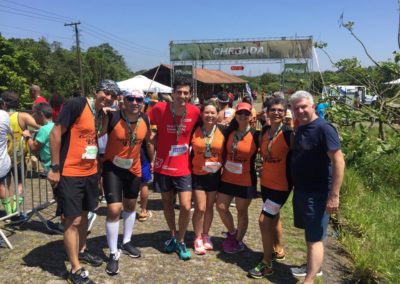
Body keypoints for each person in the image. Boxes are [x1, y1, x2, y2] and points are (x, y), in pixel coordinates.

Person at [47, 79, 119, 283]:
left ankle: (82, 249)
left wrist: (105, 119)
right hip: (70, 172)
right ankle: (75, 268)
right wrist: (55, 168)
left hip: (90, 172)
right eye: (106, 93)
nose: (109, 97)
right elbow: (55, 133)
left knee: (85, 214)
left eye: (113, 96)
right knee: (73, 219)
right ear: (97, 91)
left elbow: (98, 135)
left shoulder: (98, 112)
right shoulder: (77, 104)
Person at [289, 91, 345, 283]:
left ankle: (310, 279)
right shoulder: (301, 127)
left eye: (304, 106)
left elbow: (338, 161)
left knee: (315, 238)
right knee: (310, 234)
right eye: (296, 108)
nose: (301, 110)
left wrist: (334, 195)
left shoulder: (324, 128)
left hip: (318, 192)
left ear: (313, 106)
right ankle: (313, 267)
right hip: (302, 190)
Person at [100, 89, 154, 275]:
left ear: (143, 102)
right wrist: (100, 112)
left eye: (138, 99)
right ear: (123, 101)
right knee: (114, 209)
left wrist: (154, 159)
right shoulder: (113, 116)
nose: (134, 102)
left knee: (130, 206)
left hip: (133, 168)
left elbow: (148, 141)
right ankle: (113, 253)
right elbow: (97, 133)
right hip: (112, 168)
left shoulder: (145, 119)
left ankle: (127, 241)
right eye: (130, 98)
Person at [148, 78, 201, 260]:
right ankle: (172, 235)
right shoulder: (159, 108)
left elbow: (207, 126)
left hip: (183, 167)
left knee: (186, 206)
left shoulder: (195, 112)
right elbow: (142, 121)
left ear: (190, 95)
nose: (182, 96)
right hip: (163, 165)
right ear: (173, 93)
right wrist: (152, 139)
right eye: (179, 92)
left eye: (186, 93)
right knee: (167, 203)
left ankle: (181, 239)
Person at [248, 98, 293, 278]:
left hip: (281, 186)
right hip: (266, 183)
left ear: (285, 113)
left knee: (264, 220)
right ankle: (278, 249)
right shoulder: (265, 131)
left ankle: (266, 264)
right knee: (274, 216)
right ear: (266, 112)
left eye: (280, 110)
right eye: (273, 110)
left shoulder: (290, 134)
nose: (276, 113)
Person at [216, 102, 259, 254]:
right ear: (236, 115)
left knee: (242, 211)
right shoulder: (229, 132)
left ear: (250, 116)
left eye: (246, 114)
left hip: (245, 179)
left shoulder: (256, 134)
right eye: (240, 113)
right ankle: (232, 232)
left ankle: (238, 241)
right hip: (227, 177)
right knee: (221, 207)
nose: (242, 116)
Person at [191, 102, 225, 255]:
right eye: (207, 112)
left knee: (210, 207)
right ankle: (197, 237)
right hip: (197, 174)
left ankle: (206, 235)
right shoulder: (194, 129)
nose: (210, 116)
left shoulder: (224, 130)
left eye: (213, 113)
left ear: (217, 114)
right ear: (201, 114)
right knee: (200, 207)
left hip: (214, 175)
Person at [1, 91, 39, 215]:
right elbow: (39, 125)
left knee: (4, 184)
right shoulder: (22, 116)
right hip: (19, 156)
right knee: (20, 182)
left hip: (4, 156)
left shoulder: (2, 117)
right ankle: (16, 209)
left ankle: (9, 211)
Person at [0, 98, 12, 219]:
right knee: (2, 186)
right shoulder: (4, 115)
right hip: (3, 163)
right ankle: (9, 212)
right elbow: (11, 133)